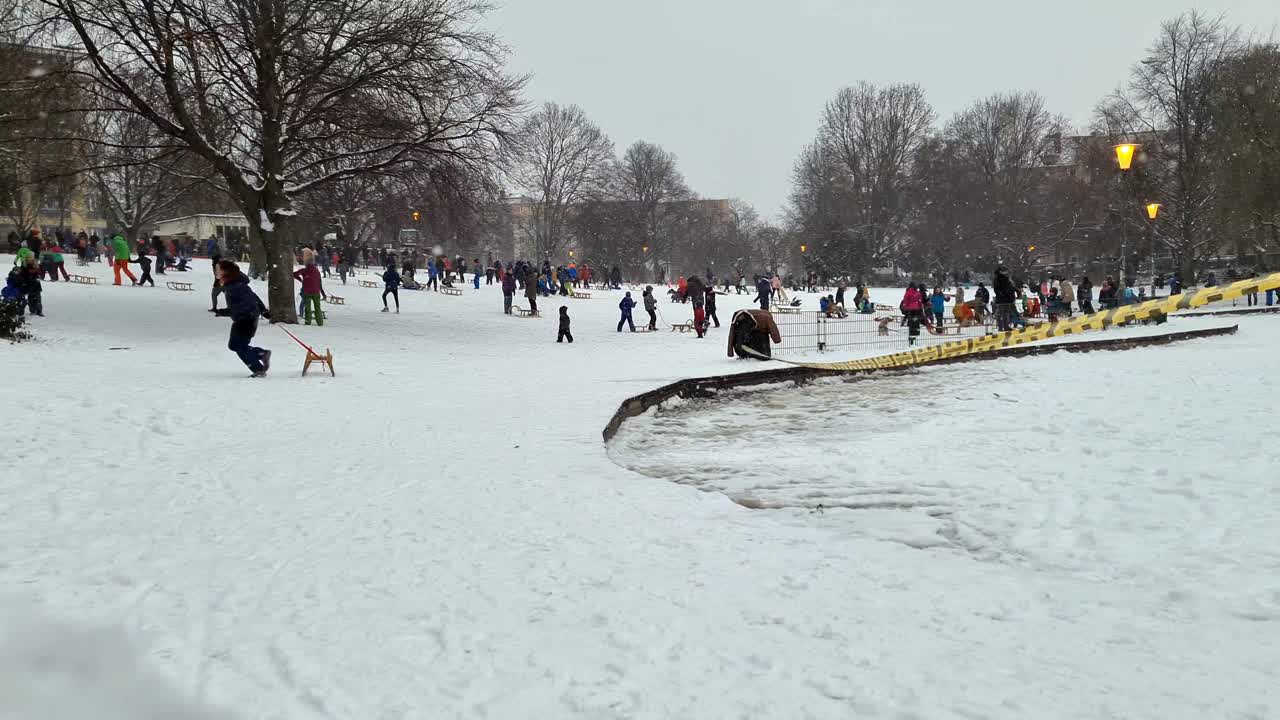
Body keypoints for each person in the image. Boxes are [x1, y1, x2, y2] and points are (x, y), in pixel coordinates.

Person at [213, 260, 271, 377]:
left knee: (238, 345)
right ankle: (261, 353)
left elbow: (243, 305)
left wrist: (224, 312)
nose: (216, 272)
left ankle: (258, 368)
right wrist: (263, 310)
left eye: (218, 270)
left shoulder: (235, 286)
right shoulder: (235, 284)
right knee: (236, 345)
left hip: (246, 319)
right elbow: (253, 297)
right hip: (245, 318)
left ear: (226, 272)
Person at [293, 252, 326, 325]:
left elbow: (294, 274)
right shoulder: (317, 271)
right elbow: (319, 282)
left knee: (308, 308)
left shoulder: (305, 270)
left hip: (307, 292)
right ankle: (319, 321)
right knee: (317, 307)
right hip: (316, 292)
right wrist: (322, 292)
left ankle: (308, 321)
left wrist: (300, 279)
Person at [993, 267, 1016, 331]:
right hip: (1004, 299)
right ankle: (1003, 326)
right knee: (1003, 314)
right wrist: (1003, 294)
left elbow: (998, 289)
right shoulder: (1001, 279)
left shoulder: (1001, 279)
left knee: (1004, 314)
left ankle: (1003, 326)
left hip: (1004, 299)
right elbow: (998, 289)